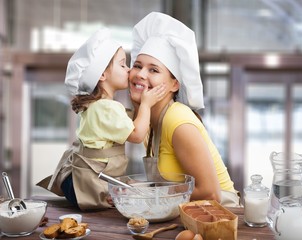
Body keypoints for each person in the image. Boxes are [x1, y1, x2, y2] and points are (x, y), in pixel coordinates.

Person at [37, 28, 166, 210]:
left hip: (74, 179)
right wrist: (146, 104)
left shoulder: (95, 105)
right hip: (85, 186)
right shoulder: (106, 107)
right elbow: (137, 135)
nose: (129, 70)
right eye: (123, 65)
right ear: (102, 75)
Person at [129, 12, 240, 207]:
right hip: (184, 213)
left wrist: (147, 195)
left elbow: (210, 193)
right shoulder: (147, 121)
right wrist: (136, 188)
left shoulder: (178, 120)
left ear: (174, 85)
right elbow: (172, 184)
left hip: (219, 216)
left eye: (153, 70)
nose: (140, 74)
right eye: (137, 66)